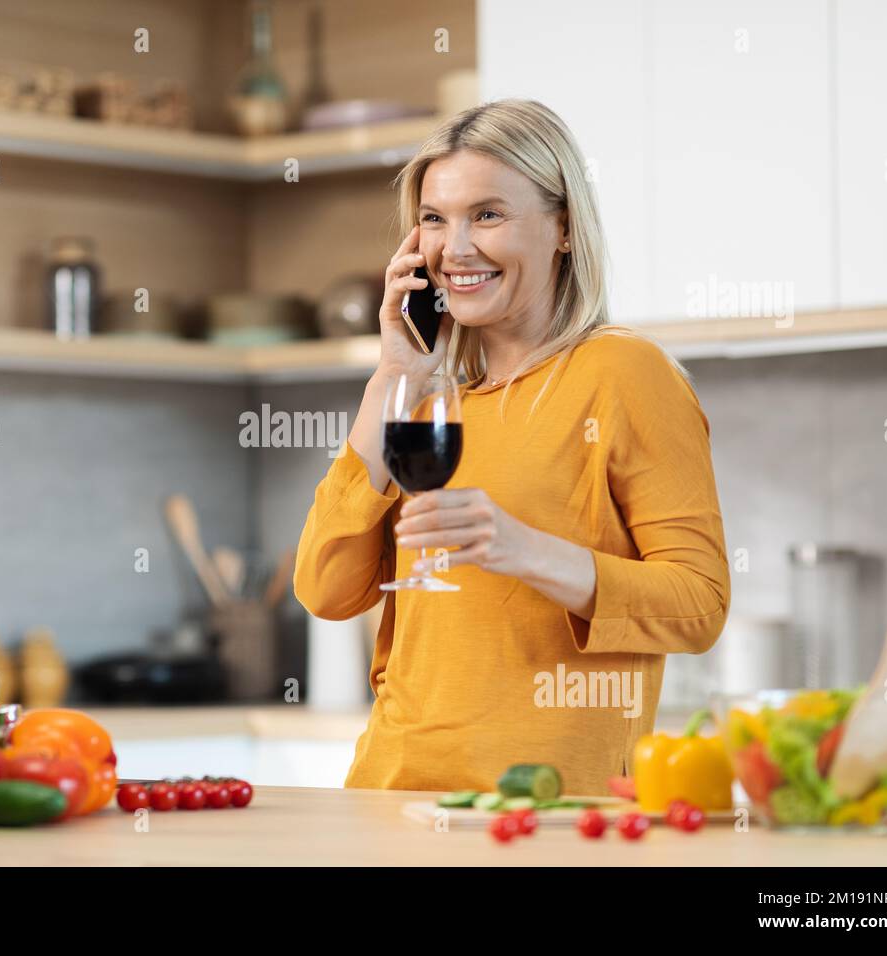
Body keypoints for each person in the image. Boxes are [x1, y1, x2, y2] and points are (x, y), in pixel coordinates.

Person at [293, 99, 730, 795]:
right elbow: (325, 588)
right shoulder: (431, 403)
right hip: (390, 796)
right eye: (434, 219)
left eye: (487, 215)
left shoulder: (622, 373)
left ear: (562, 227)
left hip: (545, 809)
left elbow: (699, 604)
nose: (455, 248)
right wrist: (393, 375)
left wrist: (522, 551)